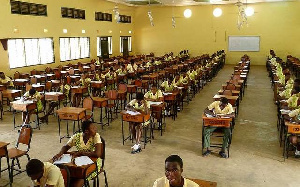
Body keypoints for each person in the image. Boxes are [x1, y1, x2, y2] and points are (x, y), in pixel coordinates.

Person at [52, 120, 102, 187]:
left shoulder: (96, 136)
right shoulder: (77, 137)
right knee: (65, 179)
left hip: (94, 165)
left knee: (76, 183)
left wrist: (82, 153)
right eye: (93, 128)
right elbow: (66, 147)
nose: (95, 129)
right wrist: (60, 153)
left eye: (94, 127)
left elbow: (97, 154)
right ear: (86, 131)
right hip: (80, 164)